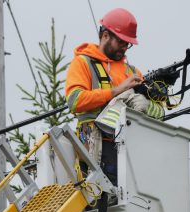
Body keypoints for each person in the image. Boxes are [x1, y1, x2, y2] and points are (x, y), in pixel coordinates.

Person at [65, 8, 164, 186]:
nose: (125, 47)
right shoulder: (83, 63)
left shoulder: (132, 72)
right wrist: (116, 91)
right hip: (95, 147)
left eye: (128, 43)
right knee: (99, 195)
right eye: (121, 41)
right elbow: (74, 101)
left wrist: (155, 99)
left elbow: (158, 115)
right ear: (105, 36)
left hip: (129, 151)